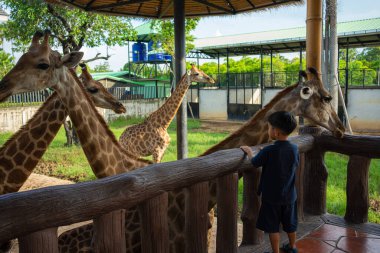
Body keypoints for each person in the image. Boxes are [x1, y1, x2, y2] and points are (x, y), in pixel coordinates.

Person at [240, 111, 299, 253]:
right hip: (290, 196)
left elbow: (254, 162)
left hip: (272, 198)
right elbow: (283, 158)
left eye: (269, 127)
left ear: (276, 132)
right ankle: (292, 247)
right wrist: (265, 151)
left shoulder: (269, 151)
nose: (268, 130)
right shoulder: (294, 148)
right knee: (290, 224)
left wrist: (249, 152)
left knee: (273, 227)